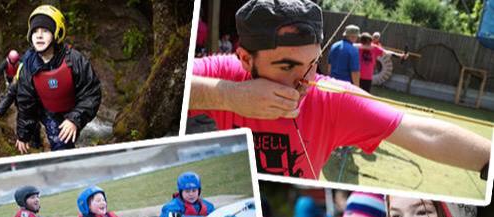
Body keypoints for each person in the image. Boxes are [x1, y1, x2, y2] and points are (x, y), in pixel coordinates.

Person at [187, 0, 490, 180]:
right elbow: (168, 87)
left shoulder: (331, 99)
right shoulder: (224, 75)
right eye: (286, 66)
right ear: (245, 59)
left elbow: (421, 131)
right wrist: (227, 96)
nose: (304, 81)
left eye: (312, 64)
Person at [12, 5, 102, 154]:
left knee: (67, 139)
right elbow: (25, 103)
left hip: (74, 109)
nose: (39, 35)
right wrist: (23, 135)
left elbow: (91, 92)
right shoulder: (28, 66)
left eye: (45, 31)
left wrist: (75, 119)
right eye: (35, 31)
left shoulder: (74, 59)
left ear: (56, 34)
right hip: (48, 111)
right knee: (60, 144)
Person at [0, 49, 22, 119]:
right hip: (10, 77)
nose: (14, 63)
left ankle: (17, 103)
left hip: (17, 78)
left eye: (15, 61)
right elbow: (0, 69)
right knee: (11, 91)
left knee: (16, 91)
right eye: (13, 61)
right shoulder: (5, 62)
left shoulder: (20, 62)